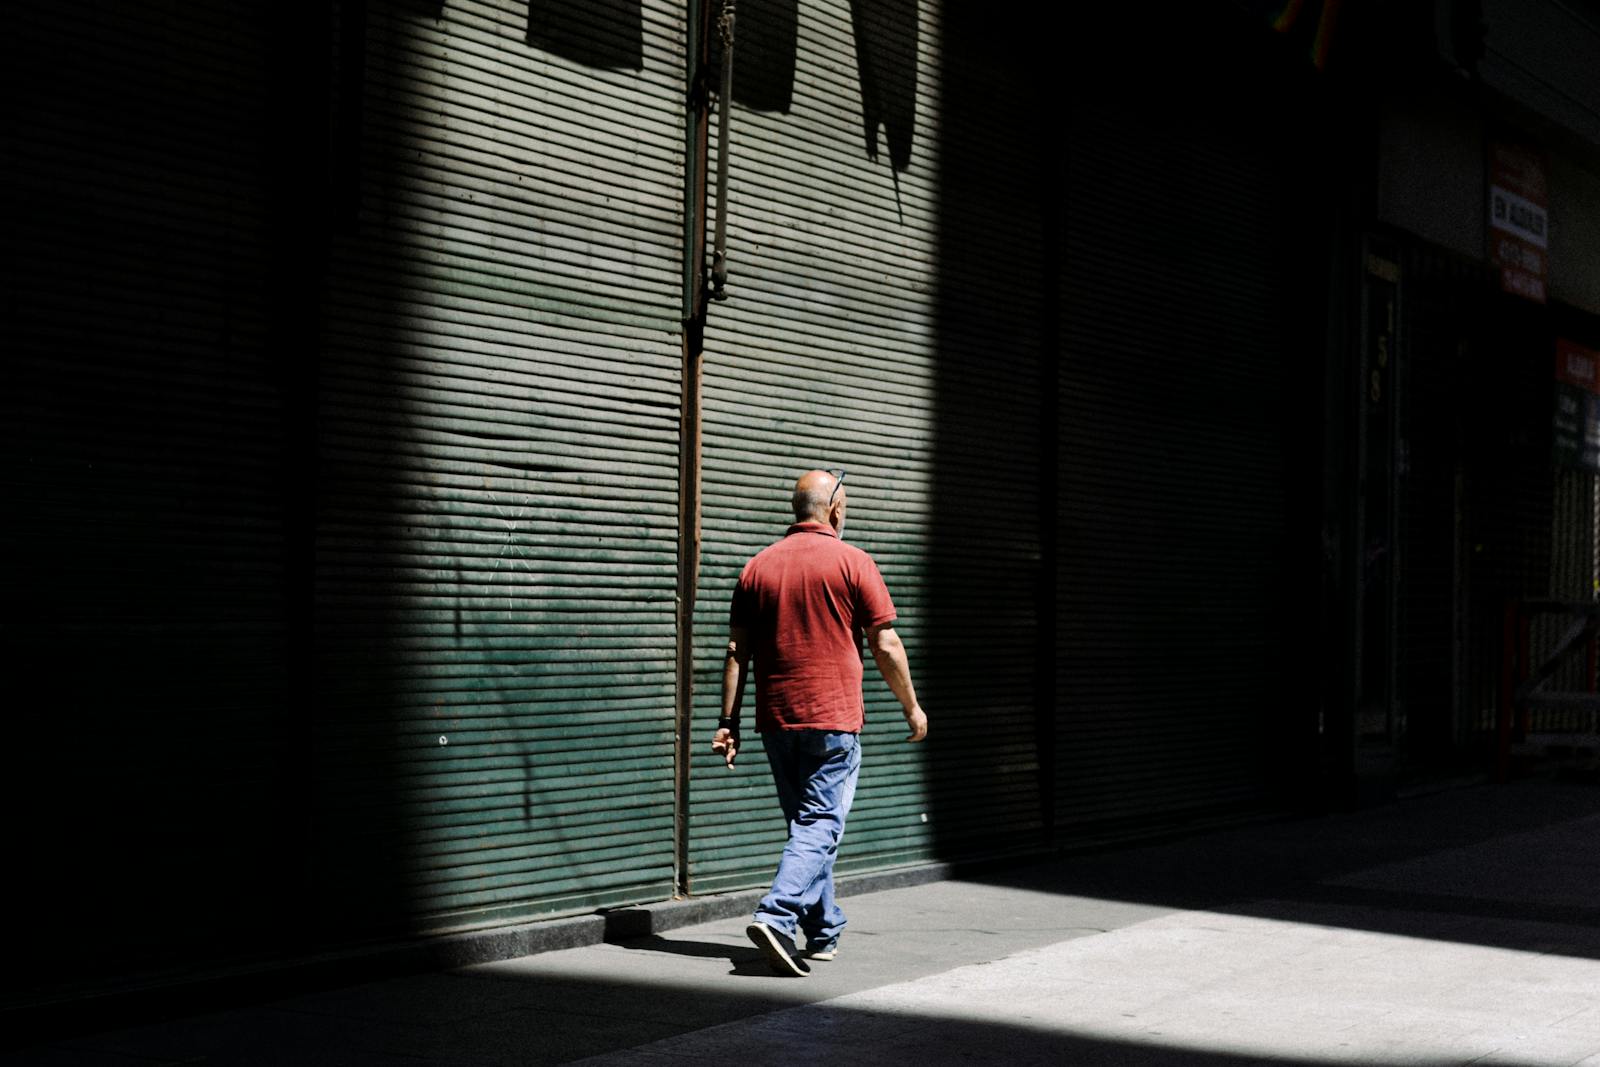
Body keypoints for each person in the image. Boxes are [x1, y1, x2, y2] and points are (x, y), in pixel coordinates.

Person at [711, 468, 928, 977]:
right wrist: (911, 706)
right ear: (834, 510)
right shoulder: (853, 562)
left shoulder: (757, 567)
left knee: (807, 827)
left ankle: (824, 929)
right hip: (832, 718)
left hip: (777, 721)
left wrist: (729, 721)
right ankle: (776, 916)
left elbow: (736, 651)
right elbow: (886, 643)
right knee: (820, 825)